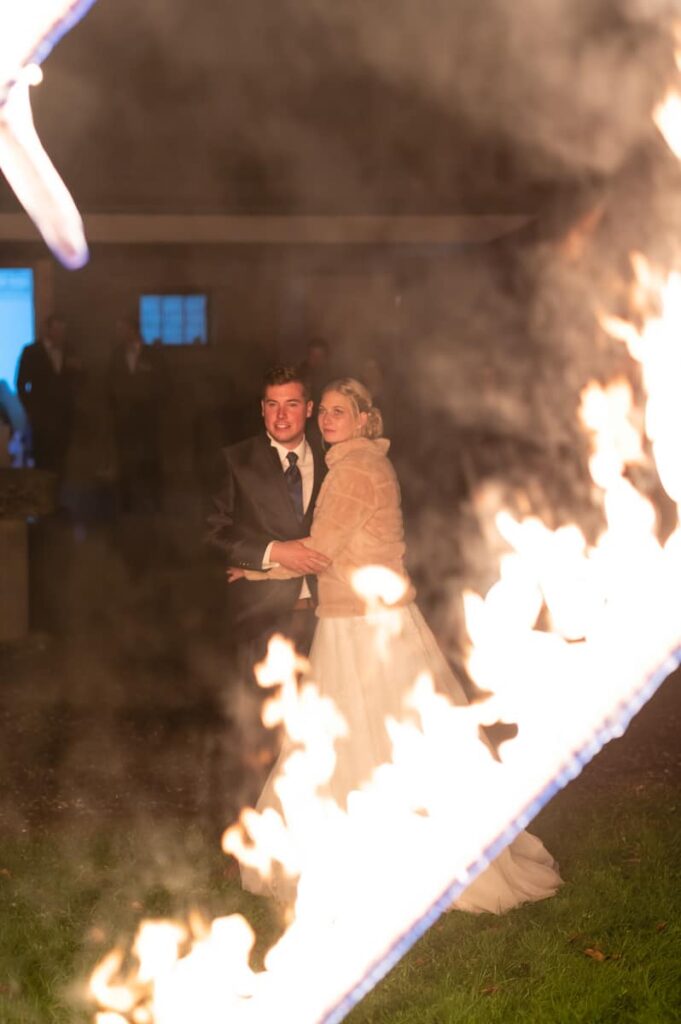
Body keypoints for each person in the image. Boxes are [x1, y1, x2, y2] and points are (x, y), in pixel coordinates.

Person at [235, 377, 562, 913]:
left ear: (365, 419)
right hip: (373, 615)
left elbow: (319, 551)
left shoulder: (354, 472)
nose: (327, 420)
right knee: (376, 737)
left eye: (340, 412)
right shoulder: (360, 464)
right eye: (327, 412)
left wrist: (256, 568)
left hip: (363, 625)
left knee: (350, 739)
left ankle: (375, 858)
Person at [207, 365, 330, 790]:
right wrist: (274, 553)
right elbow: (212, 532)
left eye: (292, 404)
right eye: (273, 405)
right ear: (262, 410)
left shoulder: (337, 458)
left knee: (321, 723)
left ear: (309, 409)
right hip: (261, 616)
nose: (282, 416)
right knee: (259, 728)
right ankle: (254, 826)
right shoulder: (237, 459)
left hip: (327, 613)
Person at [108, 316, 164, 515]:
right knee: (124, 457)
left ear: (133, 330)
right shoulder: (116, 355)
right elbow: (110, 384)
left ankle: (153, 500)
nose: (120, 334)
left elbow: (163, 384)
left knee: (150, 457)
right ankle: (127, 502)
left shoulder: (153, 355)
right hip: (123, 417)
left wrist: (150, 404)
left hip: (147, 417)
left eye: (123, 329)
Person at [16, 314, 77, 476]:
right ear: (47, 329)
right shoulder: (31, 352)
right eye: (57, 329)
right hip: (41, 416)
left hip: (64, 414)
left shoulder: (69, 350)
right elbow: (21, 383)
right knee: (42, 458)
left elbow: (78, 379)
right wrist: (32, 409)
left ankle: (59, 493)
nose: (60, 333)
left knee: (62, 457)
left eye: (63, 330)